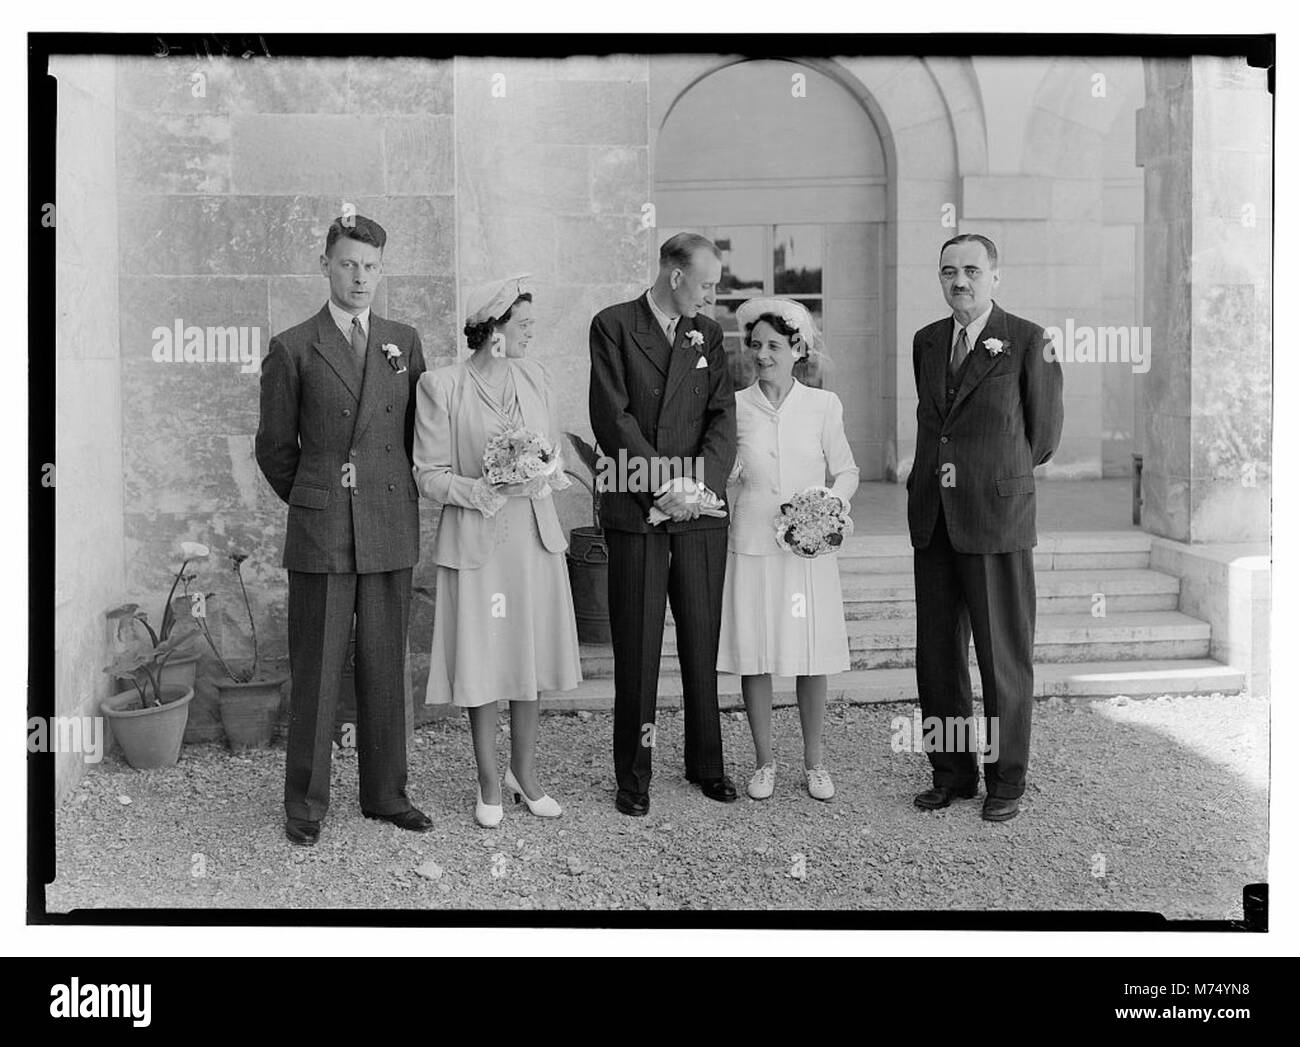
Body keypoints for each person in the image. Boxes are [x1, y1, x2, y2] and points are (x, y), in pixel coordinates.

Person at [256, 214, 432, 847]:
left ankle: (386, 795)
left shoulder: (402, 340)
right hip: (324, 530)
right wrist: (318, 499)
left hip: (388, 523)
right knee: (319, 669)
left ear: (382, 271)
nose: (360, 277)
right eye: (348, 264)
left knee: (386, 667)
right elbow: (276, 449)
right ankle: (305, 805)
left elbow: (418, 438)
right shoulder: (293, 346)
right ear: (326, 266)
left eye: (371, 266)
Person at [412, 276, 580, 828]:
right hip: (478, 545)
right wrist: (479, 490)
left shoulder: (536, 376)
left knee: (527, 660)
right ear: (494, 332)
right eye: (523, 325)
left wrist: (543, 475)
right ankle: (487, 780)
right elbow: (427, 475)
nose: (531, 334)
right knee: (484, 661)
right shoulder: (441, 386)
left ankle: (524, 775)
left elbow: (548, 454)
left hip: (533, 539)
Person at [907, 233, 1064, 822]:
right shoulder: (926, 341)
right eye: (948, 271)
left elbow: (1043, 437)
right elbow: (933, 423)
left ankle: (1006, 780)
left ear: (995, 275)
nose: (959, 281)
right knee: (939, 657)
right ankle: (952, 773)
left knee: (1002, 658)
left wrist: (991, 475)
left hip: (996, 518)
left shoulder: (1029, 340)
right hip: (934, 517)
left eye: (971, 269)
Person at [588, 232, 738, 817]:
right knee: (639, 646)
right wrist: (664, 484)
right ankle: (634, 775)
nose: (713, 294)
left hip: (699, 514)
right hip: (639, 511)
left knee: (702, 642)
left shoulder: (711, 335)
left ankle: (708, 765)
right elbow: (612, 414)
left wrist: (699, 487)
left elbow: (722, 415)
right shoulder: (613, 325)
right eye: (707, 283)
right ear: (675, 277)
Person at [719, 299, 859, 802]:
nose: (761, 355)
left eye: (773, 346)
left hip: (808, 549)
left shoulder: (824, 405)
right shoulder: (735, 405)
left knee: (808, 655)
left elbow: (847, 470)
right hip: (753, 542)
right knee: (755, 654)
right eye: (754, 345)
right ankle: (763, 762)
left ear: (797, 349)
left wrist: (827, 506)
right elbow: (727, 470)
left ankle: (814, 762)